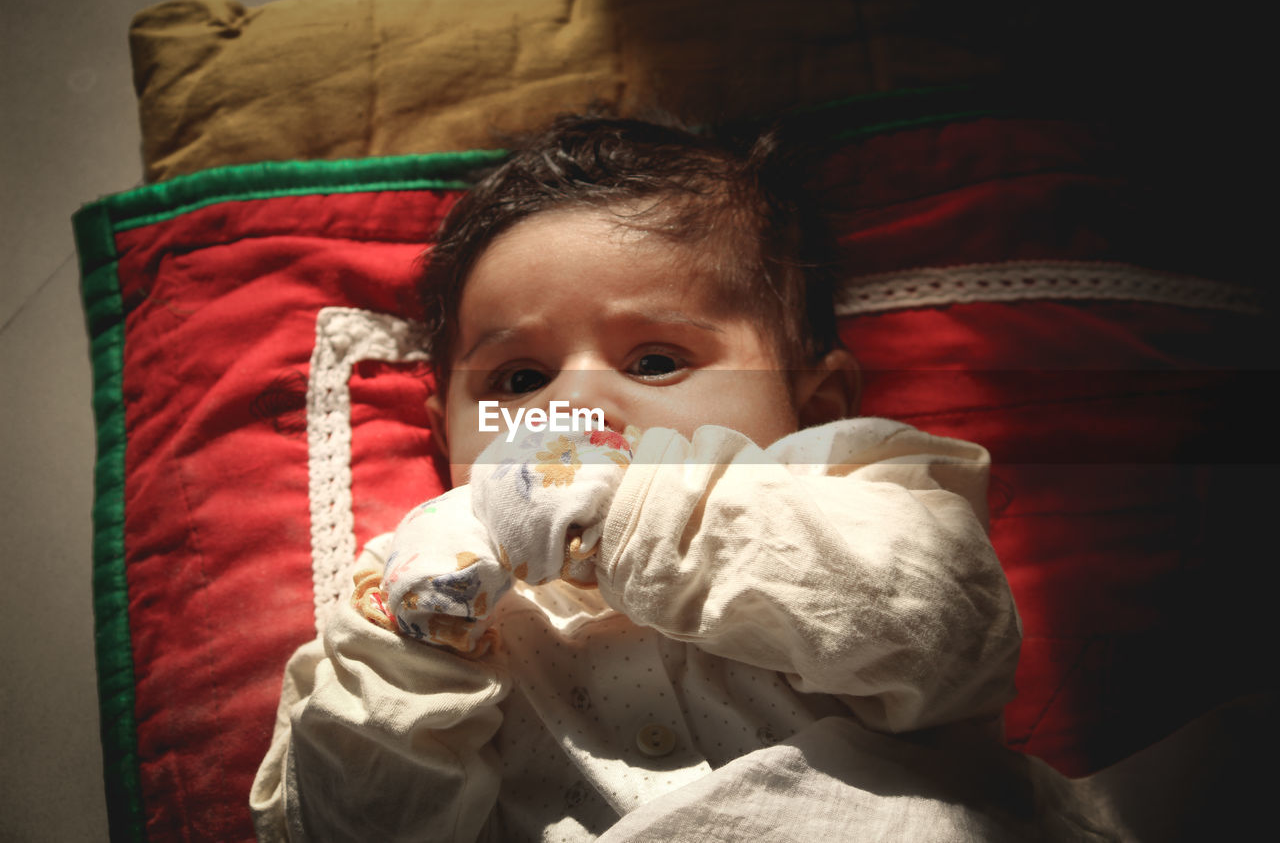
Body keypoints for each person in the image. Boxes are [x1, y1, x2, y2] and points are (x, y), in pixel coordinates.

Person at [251, 115, 1060, 841]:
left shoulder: (843, 481)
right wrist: (415, 652)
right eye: (518, 380)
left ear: (816, 401)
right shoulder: (408, 590)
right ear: (446, 434)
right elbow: (341, 824)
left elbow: (953, 637)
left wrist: (637, 511)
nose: (572, 402)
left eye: (657, 360)